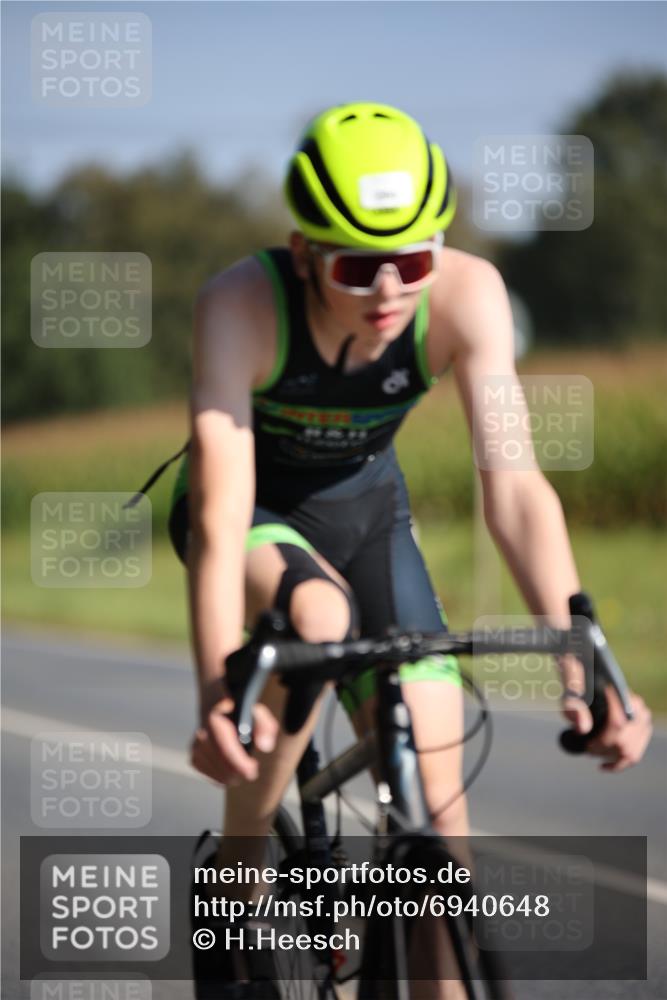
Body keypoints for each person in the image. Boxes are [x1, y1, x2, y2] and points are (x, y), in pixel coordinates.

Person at [167, 102, 652, 996]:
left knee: (438, 811)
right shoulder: (239, 305)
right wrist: (213, 694)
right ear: (304, 250)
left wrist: (587, 663)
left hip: (367, 519)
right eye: (357, 266)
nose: (389, 293)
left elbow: (513, 489)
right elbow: (219, 509)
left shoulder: (469, 297)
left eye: (412, 262)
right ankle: (236, 879)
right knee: (315, 613)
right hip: (251, 516)